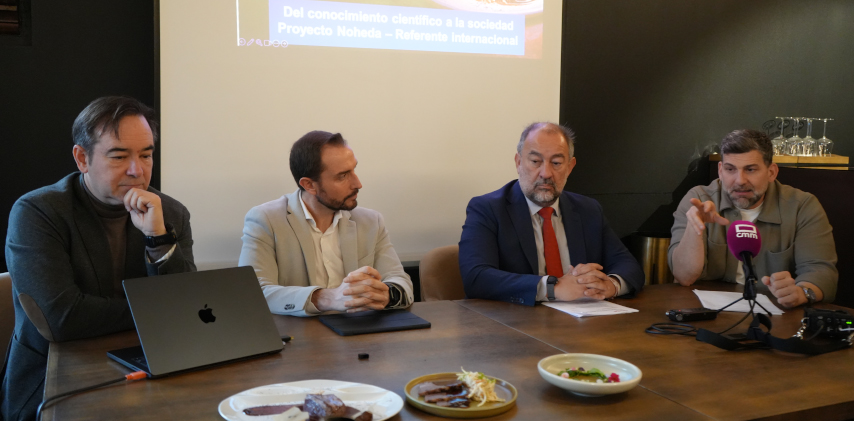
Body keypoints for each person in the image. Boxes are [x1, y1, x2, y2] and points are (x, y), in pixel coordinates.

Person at [0, 96, 196, 421]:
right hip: (53, 394)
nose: (137, 170)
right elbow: (61, 319)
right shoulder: (38, 212)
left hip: (151, 379)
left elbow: (189, 312)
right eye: (119, 156)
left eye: (146, 154)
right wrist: (158, 311)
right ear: (82, 158)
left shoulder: (169, 213)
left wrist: (157, 239)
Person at [459, 122, 644, 305]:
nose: (546, 173)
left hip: (581, 318)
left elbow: (629, 265)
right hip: (514, 319)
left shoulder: (588, 210)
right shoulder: (487, 209)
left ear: (570, 167)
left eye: (556, 163)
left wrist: (611, 285)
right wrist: (552, 288)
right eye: (535, 161)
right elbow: (476, 277)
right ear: (518, 162)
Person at [238, 130, 413, 316]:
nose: (357, 183)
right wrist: (326, 298)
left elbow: (399, 279)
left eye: (354, 169)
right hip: (299, 331)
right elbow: (253, 292)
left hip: (360, 329)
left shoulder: (370, 221)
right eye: (342, 176)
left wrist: (387, 294)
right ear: (309, 185)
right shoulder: (266, 220)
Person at [668, 129, 837, 308]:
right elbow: (684, 277)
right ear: (720, 171)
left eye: (750, 169)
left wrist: (801, 293)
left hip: (774, 312)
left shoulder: (801, 206)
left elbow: (822, 273)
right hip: (707, 311)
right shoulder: (698, 200)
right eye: (730, 169)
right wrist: (695, 228)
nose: (740, 180)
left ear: (771, 172)